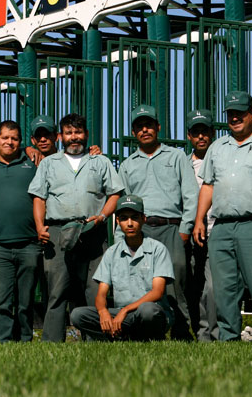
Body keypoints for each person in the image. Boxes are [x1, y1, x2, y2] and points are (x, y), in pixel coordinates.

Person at [193, 91, 252, 341]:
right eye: (231, 114)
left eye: (240, 113)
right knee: (224, 289)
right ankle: (228, 338)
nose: (235, 118)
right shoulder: (217, 147)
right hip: (221, 227)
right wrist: (200, 219)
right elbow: (208, 186)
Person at [28, 113, 123, 342]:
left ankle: (96, 340)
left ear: (86, 135)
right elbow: (39, 198)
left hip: (92, 229)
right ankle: (52, 341)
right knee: (57, 291)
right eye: (69, 133)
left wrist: (102, 216)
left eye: (78, 132)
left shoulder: (100, 161)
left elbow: (115, 193)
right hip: (58, 231)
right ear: (60, 136)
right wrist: (41, 226)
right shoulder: (49, 163)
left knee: (94, 289)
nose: (74, 137)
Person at [117, 105, 199, 340]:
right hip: (139, 232)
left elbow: (190, 194)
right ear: (134, 132)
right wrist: (121, 236)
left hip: (171, 228)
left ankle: (182, 334)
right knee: (141, 283)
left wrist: (184, 230)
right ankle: (144, 334)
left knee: (176, 283)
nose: (145, 130)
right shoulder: (127, 164)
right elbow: (123, 205)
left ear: (158, 127)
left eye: (149, 125)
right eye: (140, 127)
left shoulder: (176, 157)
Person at [70, 195, 174, 341]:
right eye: (124, 218)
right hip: (121, 315)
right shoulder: (112, 253)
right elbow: (101, 293)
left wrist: (125, 310)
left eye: (134, 218)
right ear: (118, 221)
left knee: (148, 310)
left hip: (146, 313)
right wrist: (103, 311)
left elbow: (157, 292)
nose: (129, 223)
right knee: (78, 315)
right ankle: (121, 335)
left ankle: (147, 337)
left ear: (143, 219)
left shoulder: (158, 249)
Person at [0, 120, 40, 342]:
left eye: (14, 138)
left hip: (29, 244)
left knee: (25, 302)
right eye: (4, 138)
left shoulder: (33, 162)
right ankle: (0, 344)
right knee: (0, 302)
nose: (9, 142)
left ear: (20, 142)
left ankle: (24, 341)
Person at [185, 108, 218, 341]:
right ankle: (196, 331)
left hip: (216, 231)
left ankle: (211, 334)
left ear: (212, 133)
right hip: (188, 233)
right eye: (196, 132)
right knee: (192, 287)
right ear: (189, 136)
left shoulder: (222, 159)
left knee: (213, 288)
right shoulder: (182, 164)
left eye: (204, 131)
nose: (201, 137)